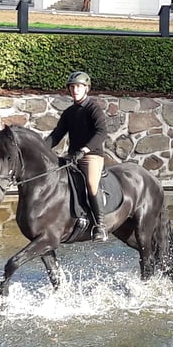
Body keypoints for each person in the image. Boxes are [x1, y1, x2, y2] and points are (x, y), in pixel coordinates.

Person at [44, 71, 109, 242]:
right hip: (73, 156)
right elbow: (57, 134)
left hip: (91, 156)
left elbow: (101, 132)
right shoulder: (69, 113)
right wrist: (41, 149)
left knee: (91, 184)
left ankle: (100, 226)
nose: (75, 90)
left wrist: (85, 150)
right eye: (72, 87)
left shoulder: (93, 109)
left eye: (78, 86)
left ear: (86, 88)